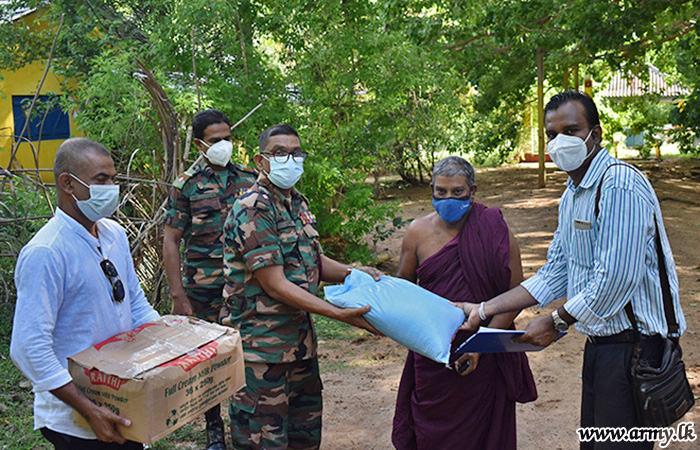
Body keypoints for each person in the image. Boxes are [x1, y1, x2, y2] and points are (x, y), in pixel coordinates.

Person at [458, 91, 686, 450]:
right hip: (601, 347)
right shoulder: (574, 193)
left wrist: (556, 321)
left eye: (571, 130)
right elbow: (556, 272)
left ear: (595, 134)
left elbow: (615, 279)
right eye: (552, 134)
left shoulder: (619, 185)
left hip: (638, 349)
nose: (560, 142)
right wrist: (485, 309)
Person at [220, 123, 381, 450]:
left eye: (296, 152)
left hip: (299, 347)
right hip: (261, 353)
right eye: (280, 153)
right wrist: (338, 313)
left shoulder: (296, 202)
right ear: (259, 160)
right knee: (265, 442)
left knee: (304, 439)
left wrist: (354, 272)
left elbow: (313, 262)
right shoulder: (253, 207)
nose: (290, 159)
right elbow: (275, 284)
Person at [10, 137, 160, 450]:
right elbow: (28, 347)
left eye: (114, 179)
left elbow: (134, 303)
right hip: (76, 418)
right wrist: (89, 410)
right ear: (68, 183)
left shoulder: (114, 234)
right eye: (101, 180)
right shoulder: (46, 252)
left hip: (121, 398)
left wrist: (169, 345)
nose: (112, 188)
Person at [391, 156, 537, 450]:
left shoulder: (494, 228)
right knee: (431, 435)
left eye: (457, 192)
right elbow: (403, 289)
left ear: (473, 190)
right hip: (432, 352)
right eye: (441, 192)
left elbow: (515, 294)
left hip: (484, 352)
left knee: (484, 436)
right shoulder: (417, 232)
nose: (448, 198)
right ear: (431, 189)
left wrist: (482, 347)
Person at [163, 109, 257, 450]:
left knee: (245, 354)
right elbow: (171, 240)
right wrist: (178, 295)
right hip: (202, 289)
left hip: (244, 287)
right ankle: (213, 426)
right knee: (208, 361)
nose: (224, 145)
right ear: (201, 144)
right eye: (216, 140)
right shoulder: (186, 185)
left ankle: (245, 421)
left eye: (228, 139)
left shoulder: (249, 177)